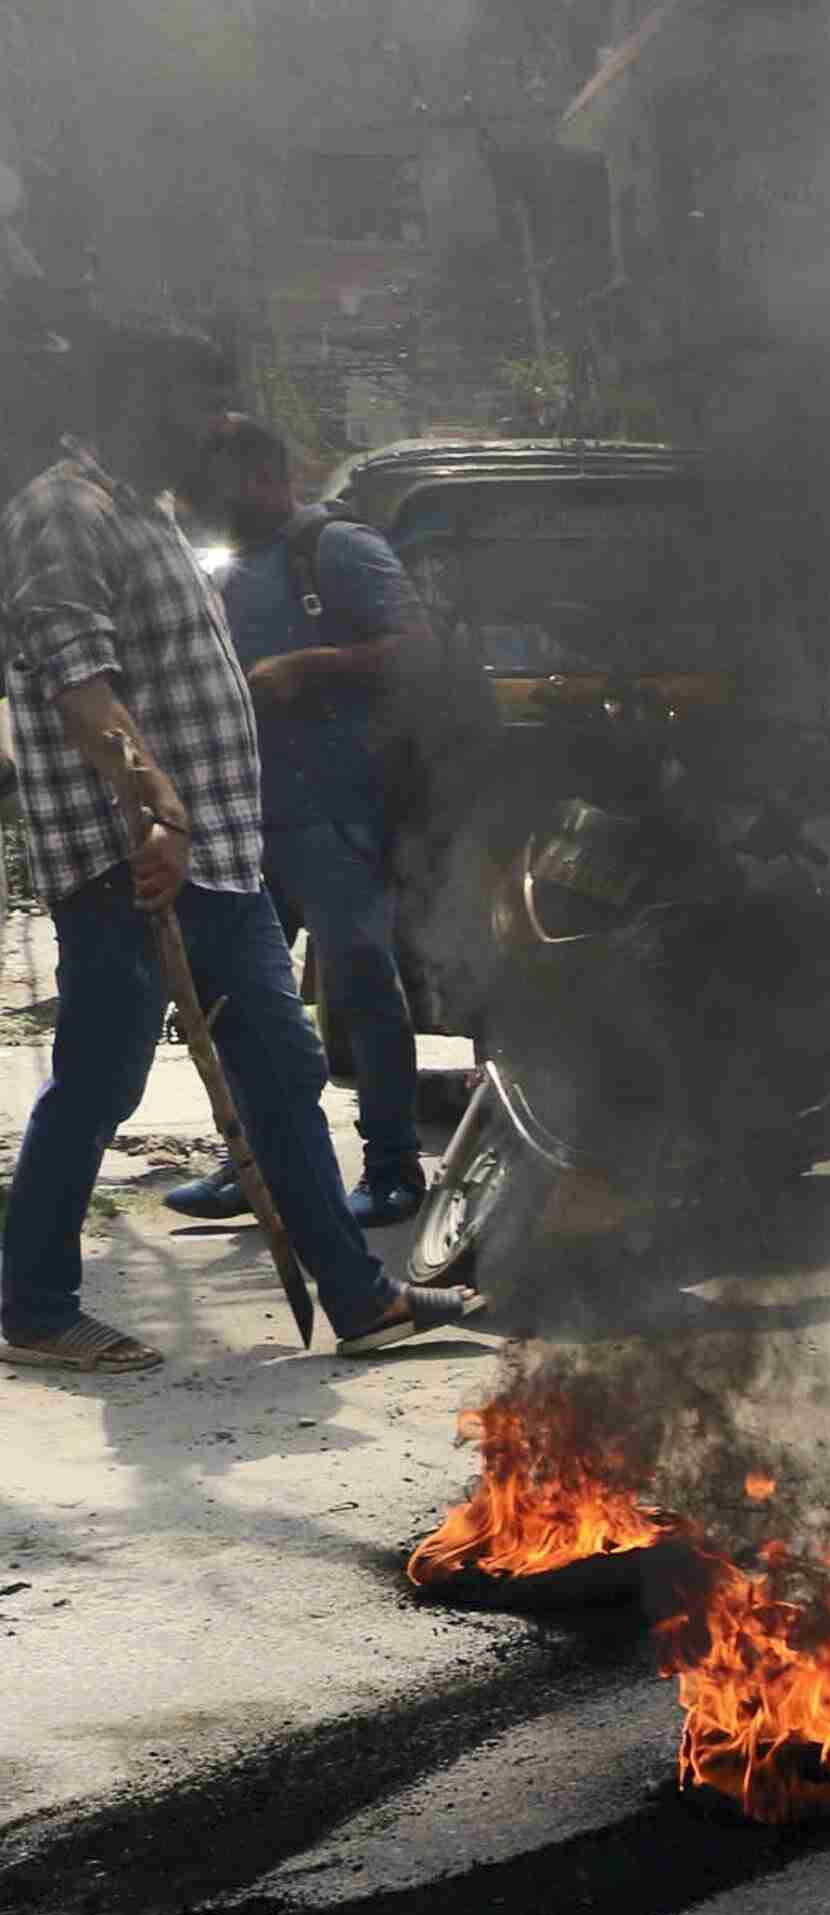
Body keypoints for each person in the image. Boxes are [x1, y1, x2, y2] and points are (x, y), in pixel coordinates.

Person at [2, 325, 473, 1372]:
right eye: (198, 409)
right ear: (139, 403)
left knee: (283, 1064)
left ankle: (358, 1296)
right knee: (97, 1082)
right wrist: (158, 809)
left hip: (214, 853)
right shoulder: (62, 514)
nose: (214, 432)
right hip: (134, 860)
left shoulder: (151, 515)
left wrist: (194, 821)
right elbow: (81, 687)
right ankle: (32, 1305)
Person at [164, 417, 424, 1229]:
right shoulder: (221, 564)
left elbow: (419, 653)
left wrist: (312, 668)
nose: (198, 504)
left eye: (209, 486)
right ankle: (262, 1166)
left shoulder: (339, 550)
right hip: (241, 820)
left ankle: (392, 1169)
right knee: (244, 1000)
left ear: (258, 476)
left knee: (359, 987)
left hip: (338, 815)